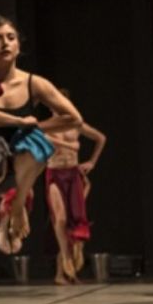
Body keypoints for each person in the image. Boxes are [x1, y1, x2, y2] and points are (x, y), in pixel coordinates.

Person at [0, 16, 81, 254]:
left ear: (18, 46)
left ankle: (17, 204)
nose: (5, 43)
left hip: (18, 171)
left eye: (10, 38)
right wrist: (19, 121)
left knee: (35, 142)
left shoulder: (33, 83)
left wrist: (36, 128)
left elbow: (73, 117)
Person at [44, 90, 107, 284]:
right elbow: (43, 137)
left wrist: (92, 162)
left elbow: (100, 138)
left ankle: (62, 273)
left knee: (74, 224)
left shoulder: (76, 124)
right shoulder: (47, 127)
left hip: (73, 175)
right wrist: (70, 146)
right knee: (60, 219)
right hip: (54, 174)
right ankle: (67, 259)